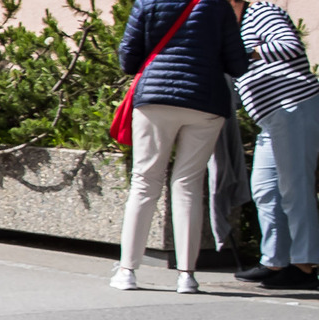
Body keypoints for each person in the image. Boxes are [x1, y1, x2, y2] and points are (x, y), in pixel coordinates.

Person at [114, 0, 247, 293]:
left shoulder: (147, 2)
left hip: (155, 100)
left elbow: (128, 58)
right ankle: (187, 275)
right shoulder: (218, 6)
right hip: (205, 100)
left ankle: (127, 271)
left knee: (145, 181)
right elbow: (237, 63)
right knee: (187, 184)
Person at [237, 0, 319, 290]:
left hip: (293, 107)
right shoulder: (229, 27)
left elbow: (289, 44)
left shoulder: (260, 11)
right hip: (271, 119)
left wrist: (246, 52)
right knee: (265, 189)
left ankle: (305, 266)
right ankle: (275, 261)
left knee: (294, 189)